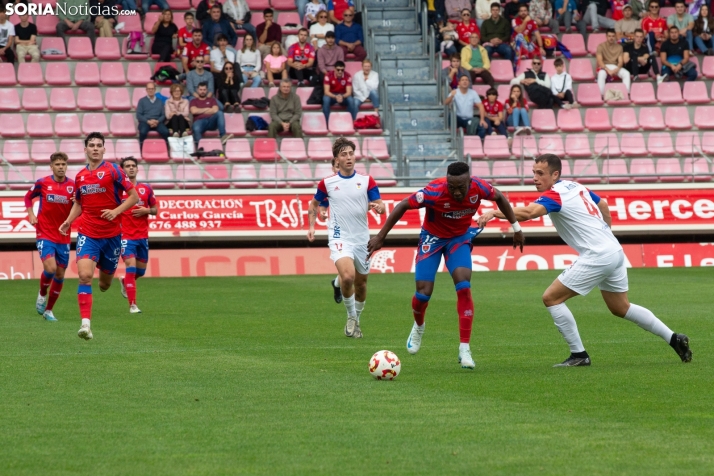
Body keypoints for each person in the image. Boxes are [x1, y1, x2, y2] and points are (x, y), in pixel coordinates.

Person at [478, 153, 692, 367]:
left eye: (540, 173)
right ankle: (674, 338)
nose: (535, 177)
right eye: (533, 172)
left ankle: (579, 355)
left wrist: (495, 213)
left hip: (598, 254)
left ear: (555, 175)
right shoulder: (576, 186)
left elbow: (529, 212)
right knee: (620, 307)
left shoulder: (556, 195)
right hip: (614, 251)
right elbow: (604, 205)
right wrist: (606, 234)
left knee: (551, 298)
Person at [367, 161, 523, 369]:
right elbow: (403, 204)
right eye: (452, 187)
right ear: (447, 182)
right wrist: (380, 237)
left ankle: (464, 349)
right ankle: (419, 326)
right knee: (423, 293)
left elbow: (501, 198)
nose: (456, 192)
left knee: (464, 286)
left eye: (461, 187)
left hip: (458, 239)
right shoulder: (434, 192)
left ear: (469, 181)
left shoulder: (480, 187)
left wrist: (516, 227)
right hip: (431, 239)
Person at [58, 132, 139, 340]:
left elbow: (134, 196)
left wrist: (116, 211)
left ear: (104, 149)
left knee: (104, 285)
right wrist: (68, 221)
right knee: (84, 276)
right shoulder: (80, 176)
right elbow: (78, 202)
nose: (95, 148)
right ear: (85, 149)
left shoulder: (113, 170)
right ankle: (85, 325)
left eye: (99, 145)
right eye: (91, 145)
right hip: (88, 233)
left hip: (112, 235)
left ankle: (113, 278)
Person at [308, 137, 385, 338]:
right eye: (344, 154)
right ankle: (351, 316)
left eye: (351, 153)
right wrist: (312, 227)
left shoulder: (367, 181)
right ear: (337, 160)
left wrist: (379, 207)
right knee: (348, 276)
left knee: (361, 284)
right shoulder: (328, 183)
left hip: (362, 238)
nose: (348, 157)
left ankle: (355, 318)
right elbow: (315, 204)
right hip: (339, 236)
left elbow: (381, 204)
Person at [25, 152, 75, 322]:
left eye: (64, 164)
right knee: (51, 269)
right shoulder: (43, 183)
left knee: (60, 275)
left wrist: (76, 204)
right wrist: (31, 214)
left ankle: (49, 310)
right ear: (52, 166)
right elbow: (28, 197)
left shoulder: (73, 186)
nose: (61, 167)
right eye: (58, 164)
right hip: (44, 232)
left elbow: (80, 207)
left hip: (63, 235)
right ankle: (41, 293)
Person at [118, 157, 157, 315]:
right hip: (125, 236)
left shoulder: (146, 188)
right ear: (123, 170)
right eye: (127, 166)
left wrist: (146, 210)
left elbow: (155, 210)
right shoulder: (117, 190)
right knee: (131, 268)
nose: (131, 168)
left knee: (139, 272)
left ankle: (125, 281)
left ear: (137, 169)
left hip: (142, 236)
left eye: (133, 165)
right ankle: (133, 305)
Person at [596, 29, 631, 97]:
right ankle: (602, 95)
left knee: (627, 73)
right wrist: (608, 70)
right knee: (601, 73)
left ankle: (626, 95)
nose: (611, 38)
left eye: (613, 36)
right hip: (604, 66)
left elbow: (620, 62)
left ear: (615, 37)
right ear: (606, 36)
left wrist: (616, 70)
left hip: (615, 66)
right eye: (609, 36)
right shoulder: (600, 46)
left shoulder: (619, 47)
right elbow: (600, 61)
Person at [137, 82, 169, 149]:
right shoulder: (141, 101)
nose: (150, 90)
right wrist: (148, 121)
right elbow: (138, 115)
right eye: (149, 89)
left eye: (152, 89)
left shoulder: (160, 101)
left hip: (157, 122)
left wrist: (157, 121)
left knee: (166, 132)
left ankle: (166, 149)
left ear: (155, 89)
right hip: (145, 122)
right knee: (142, 132)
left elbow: (163, 115)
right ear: (146, 90)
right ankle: (141, 149)